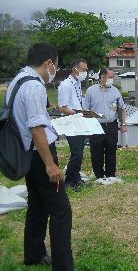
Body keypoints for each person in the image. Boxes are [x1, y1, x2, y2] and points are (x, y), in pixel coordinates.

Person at [5, 43, 74, 270]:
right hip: (39, 155)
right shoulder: (35, 86)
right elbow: (36, 128)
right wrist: (50, 164)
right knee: (61, 210)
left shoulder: (17, 80)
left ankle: (33, 254)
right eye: (55, 65)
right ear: (49, 63)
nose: (54, 71)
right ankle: (63, 265)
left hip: (26, 153)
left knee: (37, 205)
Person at [83, 67, 127, 179]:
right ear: (102, 77)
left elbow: (121, 109)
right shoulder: (91, 91)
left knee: (111, 151)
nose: (112, 79)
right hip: (96, 125)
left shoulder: (115, 91)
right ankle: (99, 175)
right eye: (110, 77)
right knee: (96, 152)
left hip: (111, 125)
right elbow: (85, 110)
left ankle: (110, 175)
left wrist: (123, 124)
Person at [57, 58, 88, 189]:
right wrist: (77, 114)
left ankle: (76, 177)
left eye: (86, 70)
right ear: (75, 69)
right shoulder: (65, 85)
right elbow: (62, 108)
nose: (85, 72)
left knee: (80, 150)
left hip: (79, 120)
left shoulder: (77, 83)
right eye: (83, 70)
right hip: (71, 122)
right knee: (76, 153)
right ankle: (69, 181)